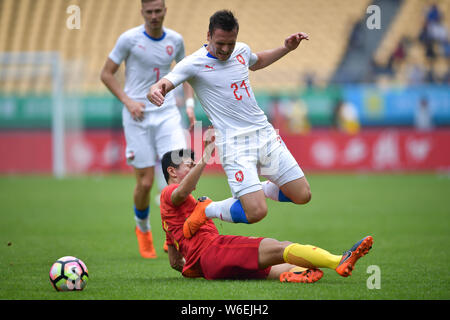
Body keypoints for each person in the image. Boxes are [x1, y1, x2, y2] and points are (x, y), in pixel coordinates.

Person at [148, 10, 312, 237]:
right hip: (235, 144)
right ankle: (208, 209)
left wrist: (286, 48)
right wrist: (155, 90)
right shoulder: (193, 63)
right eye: (220, 43)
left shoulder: (242, 51)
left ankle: (257, 188)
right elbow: (164, 83)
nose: (226, 49)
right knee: (256, 212)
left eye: (231, 43)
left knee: (302, 195)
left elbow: (258, 61)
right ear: (208, 36)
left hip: (264, 134)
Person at [159, 134, 373, 282]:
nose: (194, 167)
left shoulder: (167, 219)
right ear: (172, 171)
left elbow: (175, 262)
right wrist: (207, 153)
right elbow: (181, 192)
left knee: (273, 266)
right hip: (215, 250)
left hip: (211, 263)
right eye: (189, 165)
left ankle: (299, 273)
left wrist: (199, 267)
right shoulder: (170, 193)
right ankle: (339, 260)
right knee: (280, 247)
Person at [100, 0, 196, 258]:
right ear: (142, 12)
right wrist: (128, 101)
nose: (154, 16)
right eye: (149, 12)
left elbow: (185, 73)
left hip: (167, 114)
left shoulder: (175, 40)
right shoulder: (128, 39)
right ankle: (142, 229)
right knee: (145, 183)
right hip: (137, 116)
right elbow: (106, 73)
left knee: (180, 173)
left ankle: (173, 233)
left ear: (165, 10)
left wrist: (188, 105)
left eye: (158, 11)